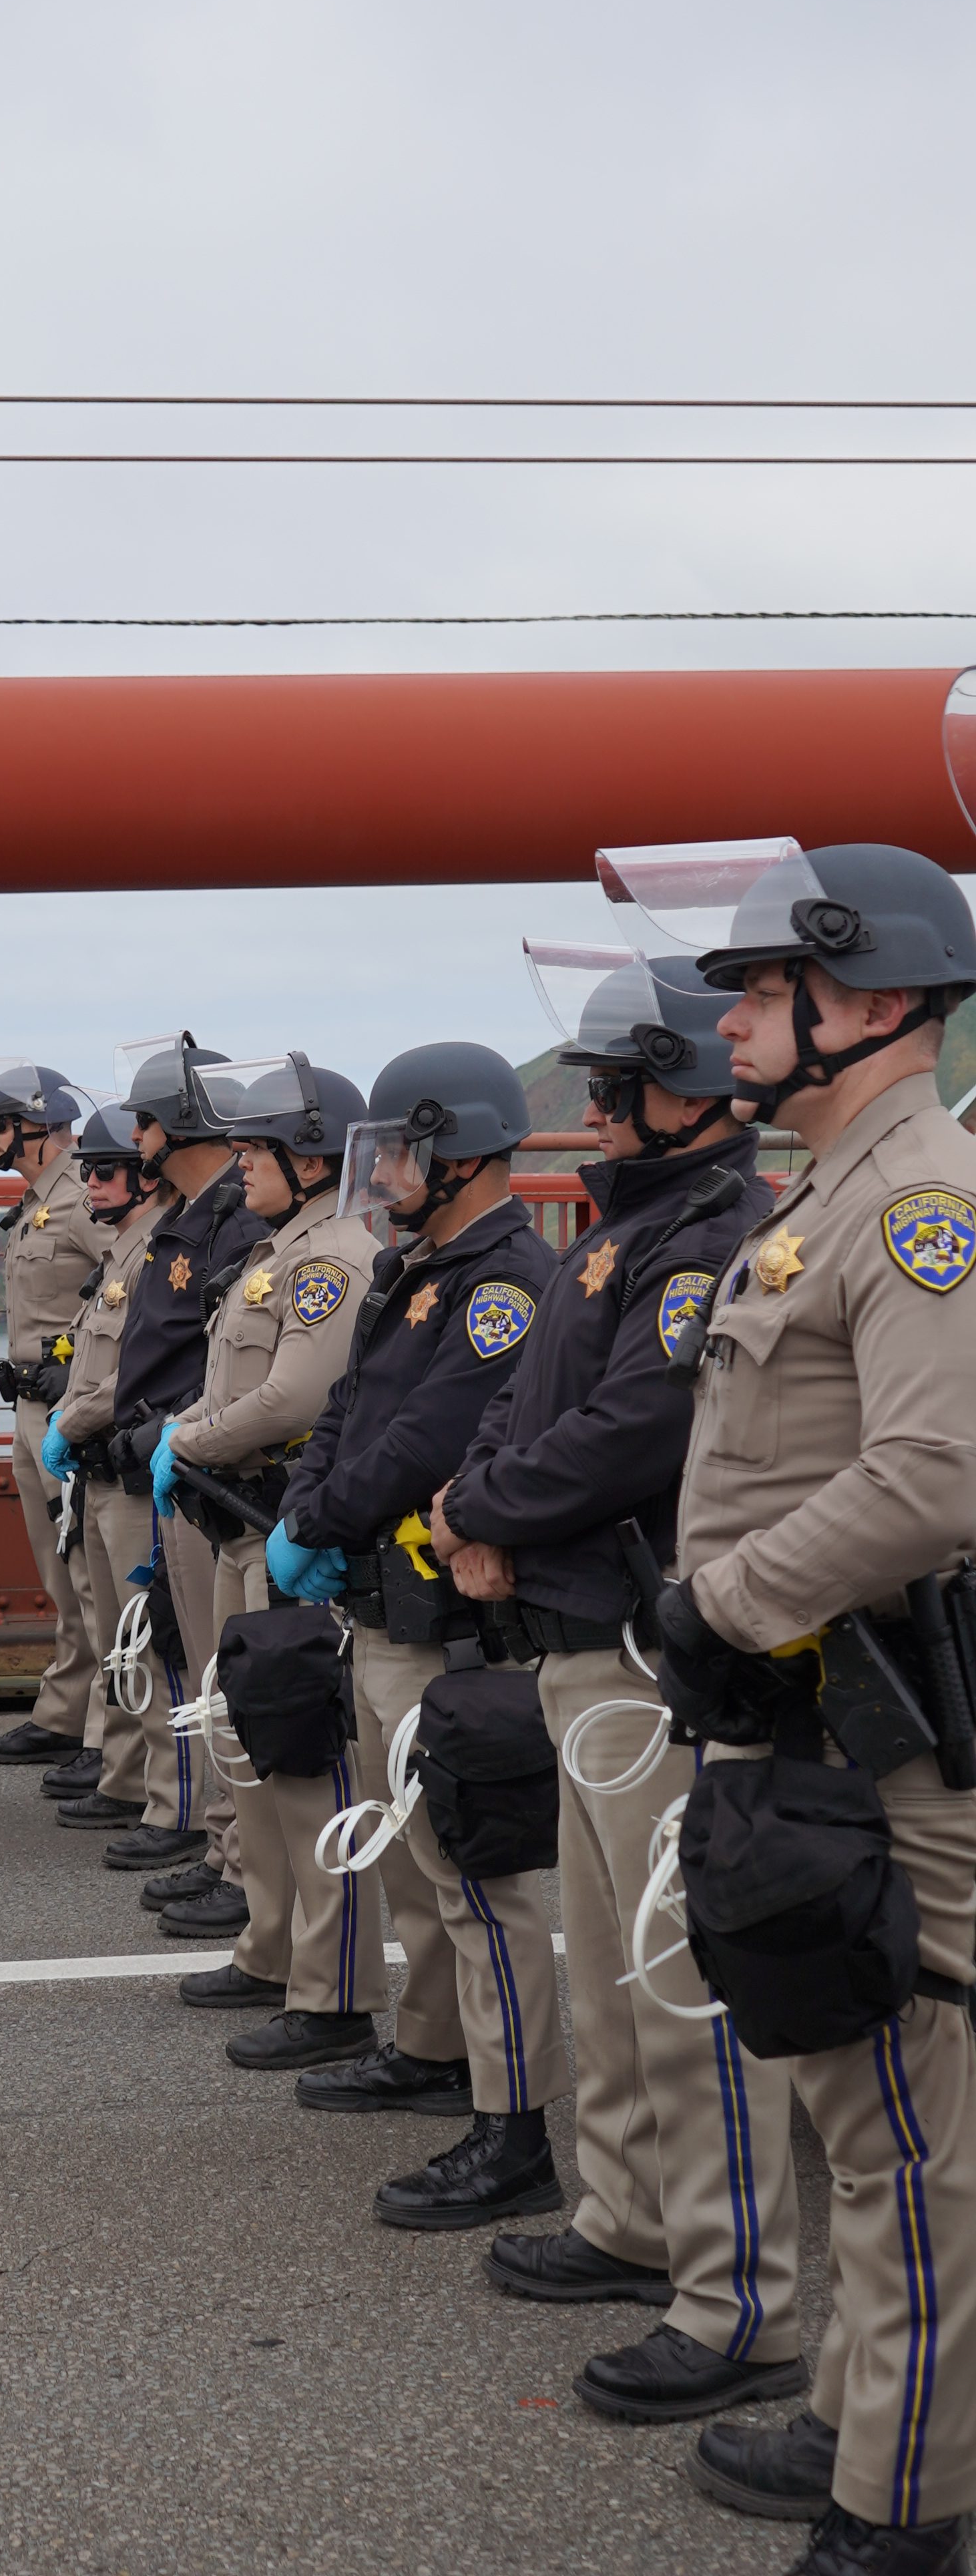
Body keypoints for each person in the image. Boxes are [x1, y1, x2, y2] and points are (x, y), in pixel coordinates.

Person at [628, 841, 976, 2576]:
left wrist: (723, 1607)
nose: (738, 1023)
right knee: (857, 2121)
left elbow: (932, 1471)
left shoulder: (923, 1202)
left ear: (874, 1000)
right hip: (802, 1722)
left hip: (881, 1737)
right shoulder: (820, 1197)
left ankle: (900, 2510)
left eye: (765, 992)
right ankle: (859, 2413)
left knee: (913, 2135)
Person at [436, 951, 806, 2419]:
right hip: (578, 1636)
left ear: (689, 1096)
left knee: (676, 1978)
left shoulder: (709, 1236)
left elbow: (635, 1430)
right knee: (608, 1969)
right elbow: (538, 1408)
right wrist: (482, 1500)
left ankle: (735, 2299)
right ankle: (632, 2217)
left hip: (648, 1651)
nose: (589, 1111)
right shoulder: (622, 1234)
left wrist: (482, 1512)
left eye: (613, 1085)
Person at [274, 1042, 568, 2227]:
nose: (384, 1169)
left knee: (470, 1871)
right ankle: (433, 2043)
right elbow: (350, 1405)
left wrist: (328, 1513)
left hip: (441, 1616)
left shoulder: (503, 1281)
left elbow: (430, 1439)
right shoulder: (414, 1267)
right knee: (410, 1850)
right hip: (373, 1595)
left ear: (462, 1151)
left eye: (400, 1148)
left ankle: (510, 2121)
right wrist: (309, 1504)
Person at [152, 1052, 388, 2059]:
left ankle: (330, 1991)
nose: (238, 1164)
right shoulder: (275, 1250)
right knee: (251, 1754)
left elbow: (293, 1400)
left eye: (255, 1148)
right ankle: (270, 1947)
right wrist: (190, 1433)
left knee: (305, 1763)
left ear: (309, 1155)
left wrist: (186, 1440)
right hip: (240, 1522)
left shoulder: (332, 1256)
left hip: (283, 1525)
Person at [101, 1032, 262, 1874]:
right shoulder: (190, 1223)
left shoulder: (235, 1228)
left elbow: (230, 1363)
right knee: (186, 1653)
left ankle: (230, 1857)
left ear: (181, 1125)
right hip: (173, 1467)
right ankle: (219, 1846)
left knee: (212, 1672)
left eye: (146, 1125)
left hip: (206, 1471)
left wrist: (168, 1433)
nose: (135, 1143)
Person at [0, 1059, 109, 1770]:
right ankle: (66, 1712)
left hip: (69, 1403)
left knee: (86, 1571)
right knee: (59, 1571)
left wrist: (74, 1357)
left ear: (35, 1128)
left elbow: (127, 1289)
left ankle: (107, 1735)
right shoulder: (42, 1200)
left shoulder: (82, 1195)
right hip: (31, 1404)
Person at [37, 1102, 165, 1828]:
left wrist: (69, 1419)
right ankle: (122, 1778)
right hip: (94, 1460)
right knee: (114, 1635)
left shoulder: (156, 1252)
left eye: (107, 1170)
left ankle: (160, 1797)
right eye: (87, 1170)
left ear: (147, 1176)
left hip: (127, 1463)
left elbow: (138, 1371)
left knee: (143, 1642)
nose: (92, 1184)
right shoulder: (123, 1248)